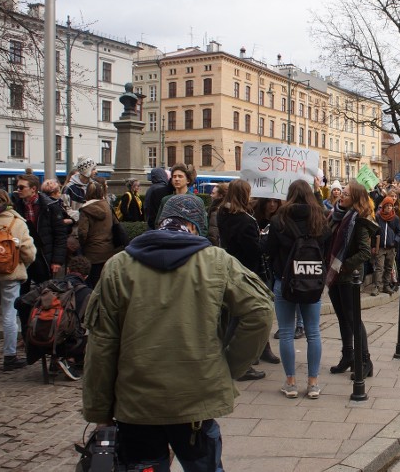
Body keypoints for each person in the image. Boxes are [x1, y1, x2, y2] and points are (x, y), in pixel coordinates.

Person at [82, 194, 274, 471]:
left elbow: (101, 345)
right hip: (196, 397)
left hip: (137, 403)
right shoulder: (217, 261)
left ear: (160, 222)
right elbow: (260, 310)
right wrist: (229, 366)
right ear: (197, 225)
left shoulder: (118, 266)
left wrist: (99, 411)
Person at [268, 180, 331, 399]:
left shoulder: (279, 220)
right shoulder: (320, 220)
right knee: (313, 332)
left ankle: (291, 383)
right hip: (312, 280)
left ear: (291, 195)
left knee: (285, 331)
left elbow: (268, 250)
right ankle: (313, 384)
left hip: (284, 281)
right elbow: (326, 249)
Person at [217, 179, 280, 380]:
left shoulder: (223, 213)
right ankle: (239, 364)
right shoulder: (246, 220)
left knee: (233, 317)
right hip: (247, 273)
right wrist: (265, 239)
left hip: (230, 267)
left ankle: (226, 359)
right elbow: (255, 251)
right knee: (244, 318)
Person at [326, 180, 379, 380]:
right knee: (342, 318)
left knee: (353, 319)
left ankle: (365, 361)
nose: (342, 196)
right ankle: (348, 355)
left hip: (348, 276)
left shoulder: (360, 220)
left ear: (356, 198)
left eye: (346, 194)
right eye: (342, 193)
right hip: (334, 274)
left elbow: (366, 251)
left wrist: (346, 265)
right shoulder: (336, 215)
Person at [15, 255, 92, 380]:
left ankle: (56, 359)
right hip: (69, 344)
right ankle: (70, 360)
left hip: (39, 338)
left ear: (68, 271)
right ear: (86, 276)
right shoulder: (88, 293)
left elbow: (20, 303)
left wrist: (27, 327)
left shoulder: (48, 285)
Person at [0, 189, 36, 371]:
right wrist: (20, 263)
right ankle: (10, 356)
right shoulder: (17, 222)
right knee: (10, 313)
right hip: (11, 273)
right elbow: (29, 252)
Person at [11, 174, 67, 292]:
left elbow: (60, 234)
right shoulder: (16, 205)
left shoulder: (50, 206)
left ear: (33, 189)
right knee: (22, 293)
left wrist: (57, 261)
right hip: (23, 255)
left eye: (22, 187)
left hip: (43, 255)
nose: (18, 190)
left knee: (44, 291)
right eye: (17, 187)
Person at [77, 180, 116, 288]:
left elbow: (82, 233)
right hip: (108, 250)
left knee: (91, 285)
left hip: (92, 252)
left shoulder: (85, 210)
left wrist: (82, 245)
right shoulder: (108, 206)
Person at [371, 196, 400, 295]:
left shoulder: (395, 218)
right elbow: (373, 232)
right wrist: (373, 246)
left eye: (390, 206)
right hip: (380, 247)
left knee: (389, 267)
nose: (389, 207)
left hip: (391, 247)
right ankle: (377, 286)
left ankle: (386, 285)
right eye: (387, 206)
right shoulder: (378, 217)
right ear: (383, 206)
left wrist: (395, 241)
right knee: (379, 267)